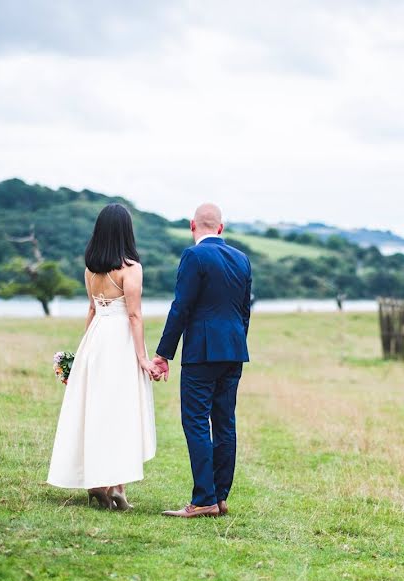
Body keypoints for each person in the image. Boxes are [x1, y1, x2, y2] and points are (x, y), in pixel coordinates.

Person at [47, 203, 159, 510]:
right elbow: (134, 316)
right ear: (126, 232)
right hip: (120, 342)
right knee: (120, 411)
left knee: (96, 410)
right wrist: (142, 358)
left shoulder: (90, 270)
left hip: (96, 340)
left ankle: (99, 484)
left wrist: (82, 353)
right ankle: (117, 485)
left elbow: (93, 309)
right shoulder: (131, 269)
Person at [153, 203, 252, 518]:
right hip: (234, 350)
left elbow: (181, 307)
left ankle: (204, 499)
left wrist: (163, 353)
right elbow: (244, 312)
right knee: (225, 422)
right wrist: (236, 343)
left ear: (192, 225)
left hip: (202, 353)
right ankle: (220, 497)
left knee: (195, 420)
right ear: (221, 228)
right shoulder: (242, 259)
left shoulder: (193, 256)